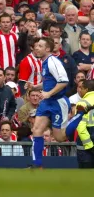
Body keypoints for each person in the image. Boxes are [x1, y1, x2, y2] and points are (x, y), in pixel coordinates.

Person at [29, 37, 87, 168]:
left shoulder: (53, 61)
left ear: (47, 49)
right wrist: (35, 87)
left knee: (60, 137)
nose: (36, 48)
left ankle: (80, 115)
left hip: (57, 102)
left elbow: (64, 81)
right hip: (46, 102)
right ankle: (37, 165)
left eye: (40, 46)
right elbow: (49, 82)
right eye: (36, 46)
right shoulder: (44, 62)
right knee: (36, 130)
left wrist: (48, 93)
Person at [75, 80, 94, 168]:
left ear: (86, 89)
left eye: (81, 88)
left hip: (86, 149)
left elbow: (80, 127)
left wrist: (90, 146)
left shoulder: (81, 104)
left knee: (86, 178)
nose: (79, 91)